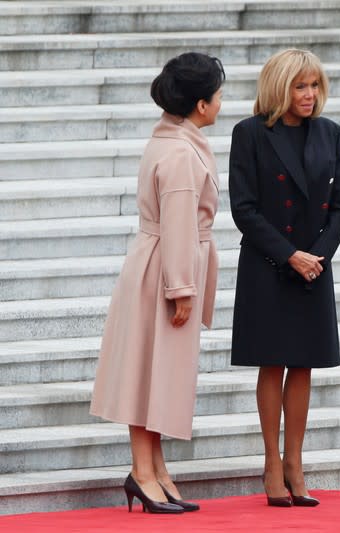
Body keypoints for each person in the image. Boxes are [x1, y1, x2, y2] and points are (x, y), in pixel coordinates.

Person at [90, 52, 225, 514]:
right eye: (219, 94)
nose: (221, 102)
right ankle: (143, 472)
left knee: (153, 374)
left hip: (157, 262)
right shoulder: (180, 152)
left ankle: (154, 468)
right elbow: (181, 222)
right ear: (202, 105)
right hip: (167, 267)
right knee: (151, 374)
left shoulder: (169, 139)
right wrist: (181, 288)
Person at [228, 48, 340, 508]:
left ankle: (296, 462)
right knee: (272, 361)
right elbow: (244, 208)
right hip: (268, 263)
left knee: (304, 363)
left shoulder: (330, 132)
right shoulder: (250, 133)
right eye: (301, 85)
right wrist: (289, 255)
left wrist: (315, 256)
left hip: (314, 265)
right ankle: (270, 463)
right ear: (280, 87)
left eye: (315, 85)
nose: (310, 94)